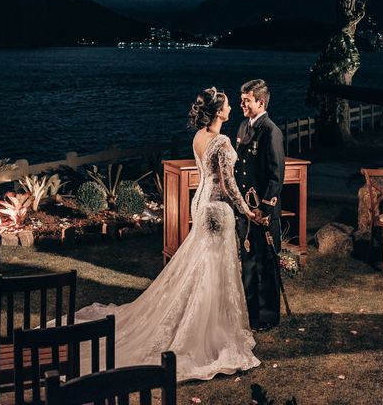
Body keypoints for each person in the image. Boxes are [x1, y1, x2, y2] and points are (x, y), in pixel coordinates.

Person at [71, 87, 260, 382]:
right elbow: (228, 184)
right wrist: (247, 211)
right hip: (216, 209)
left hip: (200, 203)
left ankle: (203, 324)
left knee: (202, 266)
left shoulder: (198, 138)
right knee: (213, 267)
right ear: (216, 112)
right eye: (226, 105)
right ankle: (208, 336)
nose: (231, 109)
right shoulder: (221, 141)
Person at [235, 79, 285, 331]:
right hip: (246, 210)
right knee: (249, 263)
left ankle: (267, 317)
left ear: (260, 102)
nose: (241, 104)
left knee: (265, 265)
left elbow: (276, 176)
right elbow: (240, 169)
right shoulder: (244, 126)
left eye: (246, 100)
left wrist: (263, 209)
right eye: (242, 99)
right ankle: (251, 314)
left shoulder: (271, 131)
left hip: (263, 212)